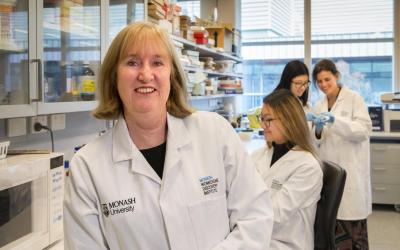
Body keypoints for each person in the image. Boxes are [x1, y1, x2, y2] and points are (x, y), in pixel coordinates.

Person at [63, 21, 274, 250]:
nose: (145, 74)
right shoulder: (87, 167)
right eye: (132, 62)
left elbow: (256, 218)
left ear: (172, 75)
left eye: (157, 62)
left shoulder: (214, 132)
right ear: (114, 77)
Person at [311, 59, 372, 249]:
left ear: (336, 76)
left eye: (327, 79)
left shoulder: (354, 99)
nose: (323, 85)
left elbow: (363, 131)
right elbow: (317, 140)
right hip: (330, 173)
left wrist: (335, 122)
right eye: (319, 81)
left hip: (351, 171)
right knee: (333, 228)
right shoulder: (320, 104)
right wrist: (318, 129)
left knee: (353, 231)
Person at [251, 89, 323, 250]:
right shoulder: (258, 156)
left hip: (284, 243)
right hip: (257, 235)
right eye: (262, 118)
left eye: (268, 119)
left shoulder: (307, 167)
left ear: (289, 120)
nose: (263, 125)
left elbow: (274, 215)